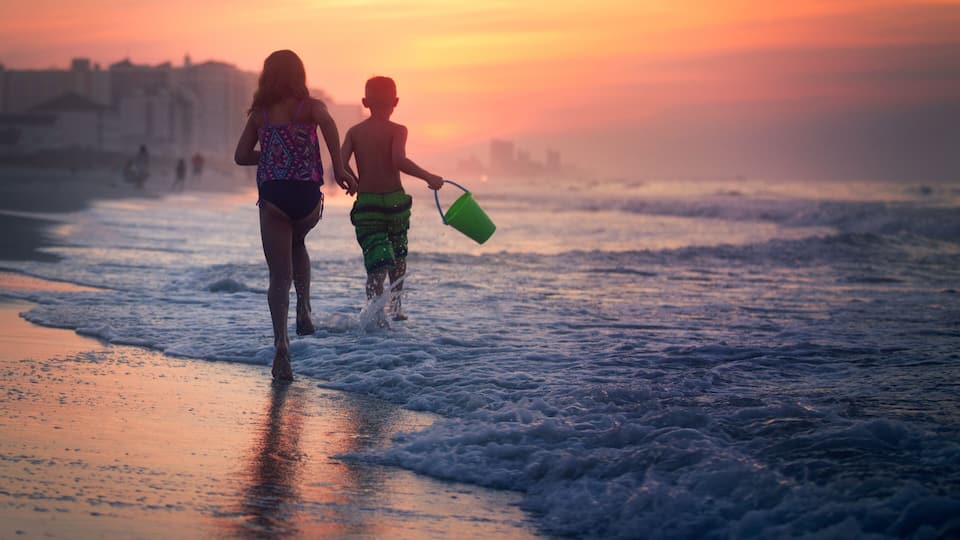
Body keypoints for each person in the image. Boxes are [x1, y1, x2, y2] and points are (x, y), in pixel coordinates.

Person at [234, 50, 357, 381]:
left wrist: (273, 152)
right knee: (298, 241)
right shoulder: (312, 108)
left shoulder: (260, 115)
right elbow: (330, 126)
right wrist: (340, 167)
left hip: (274, 195)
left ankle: (281, 348)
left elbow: (241, 156)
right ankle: (304, 306)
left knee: (278, 276)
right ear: (299, 74)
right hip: (305, 196)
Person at [341, 76, 444, 322]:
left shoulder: (355, 133)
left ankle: (374, 314)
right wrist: (428, 176)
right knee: (399, 256)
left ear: (365, 102)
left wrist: (352, 181)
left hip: (368, 205)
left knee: (376, 261)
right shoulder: (398, 130)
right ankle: (396, 309)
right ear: (395, 102)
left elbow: (340, 163)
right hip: (396, 203)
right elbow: (398, 160)